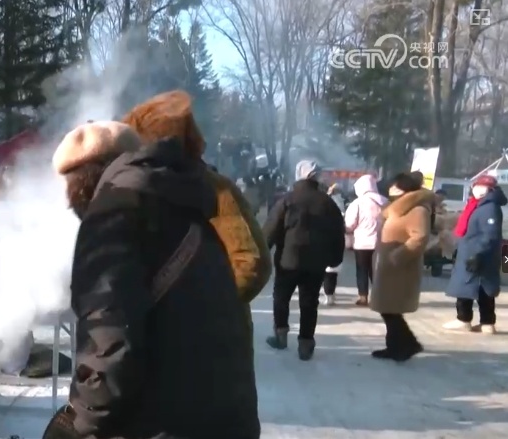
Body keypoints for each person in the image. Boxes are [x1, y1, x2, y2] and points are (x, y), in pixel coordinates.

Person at [53, 121, 260, 438]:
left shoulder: (111, 217)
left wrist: (75, 422)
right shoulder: (185, 209)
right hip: (228, 418)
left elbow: (110, 351)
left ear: (78, 183)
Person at [122, 90, 272, 306]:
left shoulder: (216, 189)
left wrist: (201, 310)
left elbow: (250, 264)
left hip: (208, 336)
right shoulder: (138, 189)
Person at [263, 160, 345, 360]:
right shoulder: (328, 203)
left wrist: (262, 249)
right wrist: (335, 258)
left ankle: (280, 335)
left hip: (287, 259)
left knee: (281, 297)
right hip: (316, 262)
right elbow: (337, 234)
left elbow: (271, 229)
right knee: (309, 302)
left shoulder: (287, 200)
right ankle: (306, 344)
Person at [370, 173, 433, 361]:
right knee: (388, 308)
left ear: (404, 188)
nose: (391, 189)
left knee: (391, 309)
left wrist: (399, 256)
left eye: (395, 185)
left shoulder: (416, 210)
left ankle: (408, 344)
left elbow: (419, 237)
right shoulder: (396, 209)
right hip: (388, 267)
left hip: (401, 268)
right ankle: (396, 346)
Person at [443, 175, 505, 334]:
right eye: (477, 185)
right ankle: (487, 322)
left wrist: (478, 254)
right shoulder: (478, 205)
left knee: (468, 287)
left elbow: (490, 234)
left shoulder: (489, 207)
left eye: (482, 186)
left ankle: (464, 319)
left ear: (490, 189)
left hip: (478, 254)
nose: (477, 188)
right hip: (473, 252)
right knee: (480, 288)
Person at [343, 174, 387, 306]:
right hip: (382, 242)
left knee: (362, 269)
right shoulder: (385, 202)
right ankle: (380, 296)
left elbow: (350, 225)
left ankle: (363, 297)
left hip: (362, 243)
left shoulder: (357, 203)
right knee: (378, 270)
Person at [321, 183, 347, 306]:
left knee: (325, 271)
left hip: (323, 238)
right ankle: (330, 294)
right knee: (331, 271)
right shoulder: (340, 202)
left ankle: (328, 295)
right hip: (336, 237)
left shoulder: (322, 202)